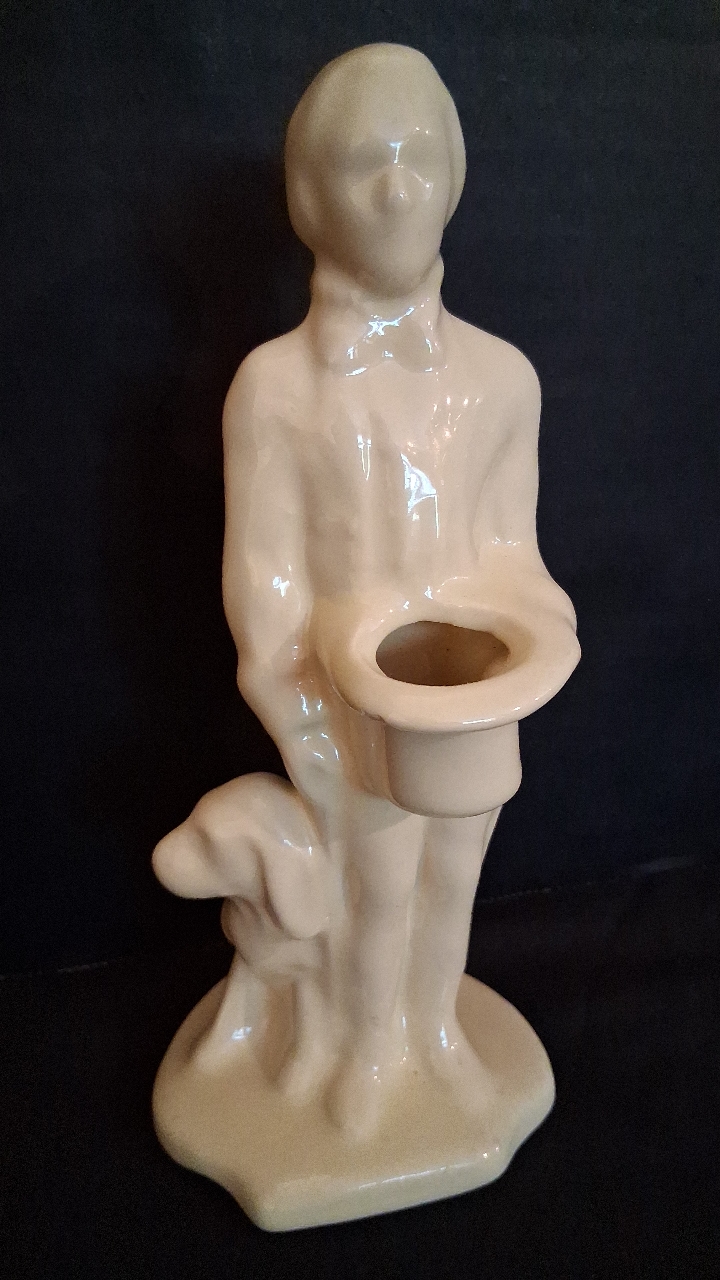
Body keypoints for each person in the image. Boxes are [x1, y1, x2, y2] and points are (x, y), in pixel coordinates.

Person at [222, 44, 575, 1139]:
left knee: (453, 872)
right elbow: (264, 581)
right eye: (364, 162)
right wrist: (303, 721)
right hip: (341, 705)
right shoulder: (273, 389)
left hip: (462, 701)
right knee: (372, 883)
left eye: (420, 157)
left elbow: (514, 549)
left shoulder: (501, 380)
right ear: (309, 198)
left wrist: (534, 640)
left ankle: (436, 1028)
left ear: (456, 176)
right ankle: (367, 1048)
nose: (398, 188)